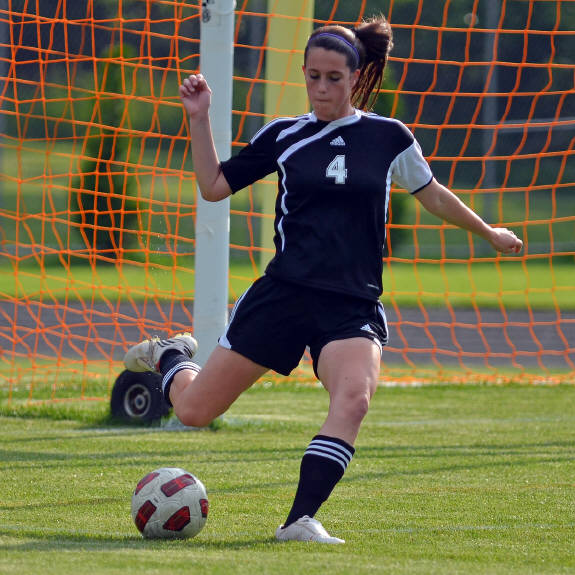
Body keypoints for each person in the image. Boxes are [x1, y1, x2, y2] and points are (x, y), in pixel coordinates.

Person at [124, 15, 523, 544]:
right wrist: (199, 119)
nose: (322, 88)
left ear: (356, 77)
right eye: (313, 76)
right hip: (284, 296)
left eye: (334, 78)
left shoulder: (388, 137)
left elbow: (432, 195)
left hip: (351, 304)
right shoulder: (284, 135)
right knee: (194, 412)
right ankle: (173, 356)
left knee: (354, 399)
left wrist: (488, 231)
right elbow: (214, 186)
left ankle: (298, 521)